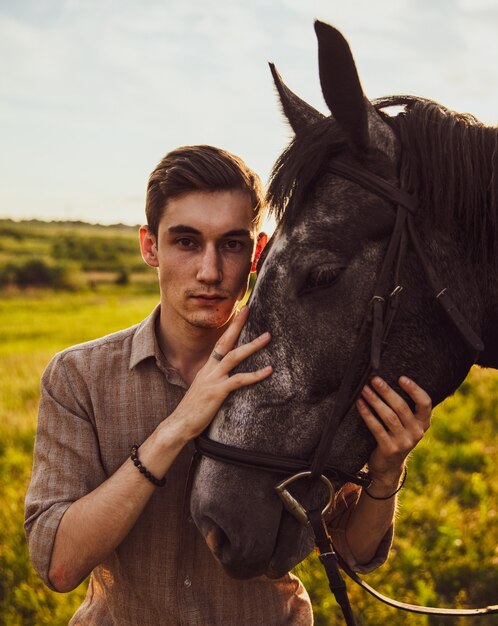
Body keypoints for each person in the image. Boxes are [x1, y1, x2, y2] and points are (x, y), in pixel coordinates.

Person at [25, 145, 432, 625]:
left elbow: (350, 548)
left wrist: (386, 474)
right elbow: (58, 564)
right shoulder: (78, 377)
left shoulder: (306, 364)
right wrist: (176, 427)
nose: (210, 272)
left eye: (232, 244)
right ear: (149, 246)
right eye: (186, 241)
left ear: (258, 251)